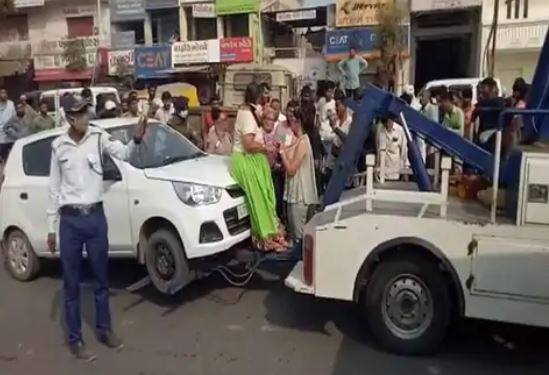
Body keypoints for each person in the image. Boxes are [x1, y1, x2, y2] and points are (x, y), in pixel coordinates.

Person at [47, 97, 148, 361]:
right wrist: (50, 227)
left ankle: (105, 330)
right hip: (69, 222)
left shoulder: (99, 137)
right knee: (71, 285)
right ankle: (75, 339)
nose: (86, 117)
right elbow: (54, 190)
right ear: (69, 118)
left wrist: (136, 139)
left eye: (86, 112)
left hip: (94, 219)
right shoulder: (58, 146)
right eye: (80, 114)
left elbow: (124, 153)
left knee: (101, 280)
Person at [230, 82, 287, 252]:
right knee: (259, 197)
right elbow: (248, 145)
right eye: (263, 95)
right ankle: (266, 238)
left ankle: (273, 234)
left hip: (255, 159)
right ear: (257, 96)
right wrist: (266, 148)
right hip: (246, 159)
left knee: (267, 196)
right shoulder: (246, 114)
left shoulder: (251, 111)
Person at [280, 110, 318, 242]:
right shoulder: (298, 140)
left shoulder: (303, 142)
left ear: (298, 122)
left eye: (292, 120)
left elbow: (291, 169)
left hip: (300, 195)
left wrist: (282, 154)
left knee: (299, 237)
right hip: (294, 194)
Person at [260, 107, 285, 220]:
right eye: (266, 118)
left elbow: (285, 150)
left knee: (277, 199)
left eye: (271, 119)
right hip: (262, 172)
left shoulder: (279, 133)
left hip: (276, 173)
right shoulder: (257, 133)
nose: (268, 122)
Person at [472, 77, 505, 152]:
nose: (482, 91)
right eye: (482, 88)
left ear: (492, 88)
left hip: (496, 131)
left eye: (484, 88)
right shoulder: (483, 103)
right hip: (487, 132)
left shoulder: (498, 101)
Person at [324, 98, 353, 183]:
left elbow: (348, 140)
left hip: (340, 167)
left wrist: (336, 129)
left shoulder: (350, 122)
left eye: (338, 105)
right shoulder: (335, 121)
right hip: (330, 164)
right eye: (335, 106)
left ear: (344, 106)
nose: (336, 108)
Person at [0, 89, 17, 162]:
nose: (4, 94)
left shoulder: (11, 104)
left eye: (5, 93)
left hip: (11, 134)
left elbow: (15, 117)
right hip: (1, 136)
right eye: (2, 93)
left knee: (14, 155)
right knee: (4, 157)